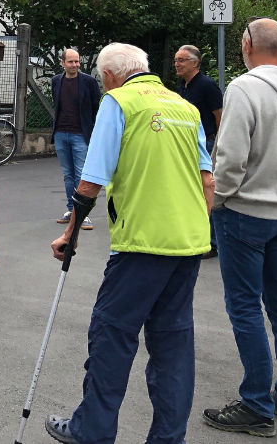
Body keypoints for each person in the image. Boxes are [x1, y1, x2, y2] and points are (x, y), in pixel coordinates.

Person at [45, 43, 213, 444]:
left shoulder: (119, 102)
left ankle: (92, 431)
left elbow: (92, 179)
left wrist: (70, 234)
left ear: (107, 76)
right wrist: (195, 226)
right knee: (172, 345)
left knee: (112, 336)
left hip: (141, 243)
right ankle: (168, 438)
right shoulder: (183, 106)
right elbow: (208, 179)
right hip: (187, 243)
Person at [201, 19, 277, 435]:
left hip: (243, 215)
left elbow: (230, 159)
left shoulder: (243, 88)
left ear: (248, 45)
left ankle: (255, 403)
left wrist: (216, 201)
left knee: (245, 307)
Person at [175, 44, 225, 258]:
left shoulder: (206, 85)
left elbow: (219, 115)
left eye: (182, 60)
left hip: (207, 144)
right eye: (176, 60)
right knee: (190, 191)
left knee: (207, 189)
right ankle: (194, 235)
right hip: (187, 144)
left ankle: (211, 242)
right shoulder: (182, 85)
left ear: (195, 63)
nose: (177, 64)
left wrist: (218, 144)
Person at [51, 48, 100, 230]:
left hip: (80, 135)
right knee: (68, 175)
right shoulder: (56, 81)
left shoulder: (88, 82)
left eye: (77, 61)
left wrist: (93, 130)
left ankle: (82, 215)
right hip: (61, 134)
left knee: (80, 175)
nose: (75, 65)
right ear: (63, 63)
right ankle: (71, 210)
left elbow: (97, 106)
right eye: (71, 62)